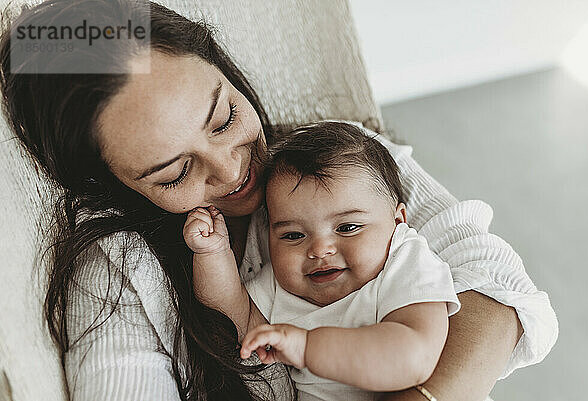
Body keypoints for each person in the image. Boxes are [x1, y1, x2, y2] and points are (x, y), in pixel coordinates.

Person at [0, 1, 557, 400]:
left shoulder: (339, 159)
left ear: (222, 65)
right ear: (114, 188)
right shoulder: (120, 272)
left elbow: (496, 280)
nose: (233, 170)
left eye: (225, 118)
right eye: (174, 174)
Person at [185, 121, 462, 401]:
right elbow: (231, 314)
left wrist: (307, 348)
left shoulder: (403, 262)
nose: (319, 250)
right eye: (293, 235)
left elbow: (413, 358)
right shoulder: (281, 286)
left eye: (347, 228)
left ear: (397, 222)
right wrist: (212, 253)